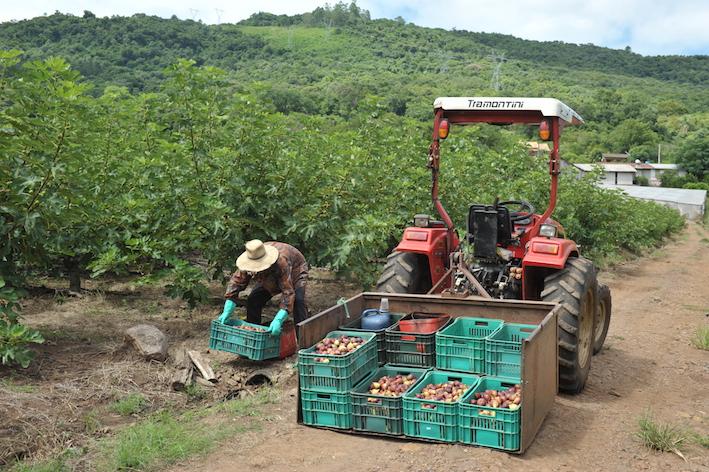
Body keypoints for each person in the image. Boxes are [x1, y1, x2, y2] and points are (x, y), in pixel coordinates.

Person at [218, 240, 308, 335]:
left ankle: (303, 341)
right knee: (254, 299)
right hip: (268, 274)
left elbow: (288, 293)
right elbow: (236, 283)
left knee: (298, 301)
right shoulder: (249, 259)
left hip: (295, 269)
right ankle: (252, 335)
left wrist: (278, 319)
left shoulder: (281, 262)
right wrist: (227, 310)